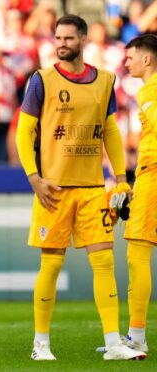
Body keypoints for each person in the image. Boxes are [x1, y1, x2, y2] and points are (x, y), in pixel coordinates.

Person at [15, 14, 146, 361]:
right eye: (57, 37)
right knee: (51, 266)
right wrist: (34, 178)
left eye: (68, 38)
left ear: (84, 40)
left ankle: (114, 343)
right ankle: (40, 344)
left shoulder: (105, 81)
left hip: (91, 188)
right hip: (53, 189)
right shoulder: (41, 79)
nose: (61, 44)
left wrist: (120, 177)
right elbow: (24, 131)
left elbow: (111, 131)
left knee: (104, 263)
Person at [120, 34, 157, 352]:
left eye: (130, 56)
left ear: (147, 59)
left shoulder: (150, 89)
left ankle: (137, 337)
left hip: (154, 174)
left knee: (138, 254)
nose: (126, 62)